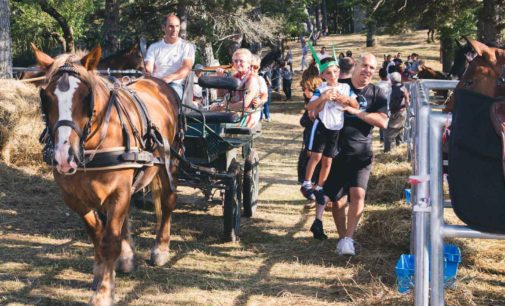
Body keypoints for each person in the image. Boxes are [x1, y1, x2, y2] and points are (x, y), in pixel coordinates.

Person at [324, 53, 388, 254]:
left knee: (358, 193)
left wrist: (357, 113)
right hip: (336, 151)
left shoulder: (377, 93)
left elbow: (383, 122)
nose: (368, 70)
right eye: (365, 65)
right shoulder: (339, 85)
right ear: (357, 65)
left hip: (361, 152)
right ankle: (342, 238)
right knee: (338, 200)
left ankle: (349, 239)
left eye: (372, 68)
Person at [301, 54, 359, 240]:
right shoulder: (321, 88)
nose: (333, 75)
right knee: (316, 157)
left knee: (328, 160)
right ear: (323, 75)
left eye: (335, 71)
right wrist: (324, 97)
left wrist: (344, 100)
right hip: (323, 127)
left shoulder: (345, 88)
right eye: (329, 72)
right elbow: (310, 107)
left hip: (336, 129)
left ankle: (320, 187)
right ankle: (307, 182)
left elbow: (355, 104)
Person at [145, 14, 195, 99]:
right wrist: (146, 71)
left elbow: (186, 68)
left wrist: (168, 79)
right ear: (163, 28)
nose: (175, 30)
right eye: (171, 26)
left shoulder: (187, 46)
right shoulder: (153, 47)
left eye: (177, 26)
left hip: (175, 85)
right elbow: (148, 67)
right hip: (154, 84)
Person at [210, 48, 260, 115]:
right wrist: (220, 79)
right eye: (236, 61)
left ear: (248, 63)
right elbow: (221, 95)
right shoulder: (234, 77)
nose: (238, 64)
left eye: (241, 61)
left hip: (246, 114)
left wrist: (224, 107)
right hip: (232, 112)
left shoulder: (251, 79)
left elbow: (244, 104)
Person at [384, 72, 409, 152]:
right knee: (399, 132)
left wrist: (406, 98)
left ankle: (388, 152)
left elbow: (404, 95)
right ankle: (398, 149)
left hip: (398, 113)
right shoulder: (401, 87)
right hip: (400, 112)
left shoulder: (397, 89)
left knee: (389, 134)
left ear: (392, 80)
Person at [376, 68, 392, 143]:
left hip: (382, 107)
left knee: (382, 123)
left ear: (380, 76)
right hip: (391, 106)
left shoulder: (378, 85)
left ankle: (382, 138)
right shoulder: (391, 83)